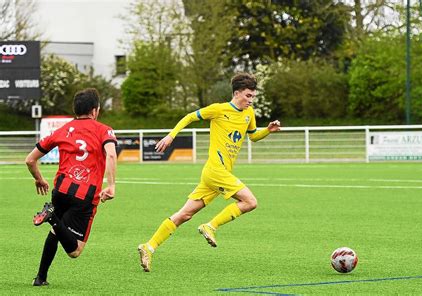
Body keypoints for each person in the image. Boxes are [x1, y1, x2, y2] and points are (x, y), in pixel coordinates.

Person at [138, 73, 281, 272]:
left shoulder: (249, 114)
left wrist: (268, 130)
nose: (251, 100)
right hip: (216, 171)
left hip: (215, 175)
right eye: (248, 96)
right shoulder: (218, 109)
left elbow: (253, 136)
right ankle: (210, 226)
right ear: (237, 93)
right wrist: (171, 136)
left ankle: (149, 246)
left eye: (253, 97)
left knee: (184, 215)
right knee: (250, 202)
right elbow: (190, 117)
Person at [25, 88, 117, 286]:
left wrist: (40, 179)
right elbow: (110, 154)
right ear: (95, 111)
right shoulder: (104, 130)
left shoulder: (62, 130)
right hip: (84, 195)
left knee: (56, 232)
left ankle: (40, 278)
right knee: (75, 250)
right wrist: (111, 186)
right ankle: (52, 218)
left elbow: (30, 160)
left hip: (61, 190)